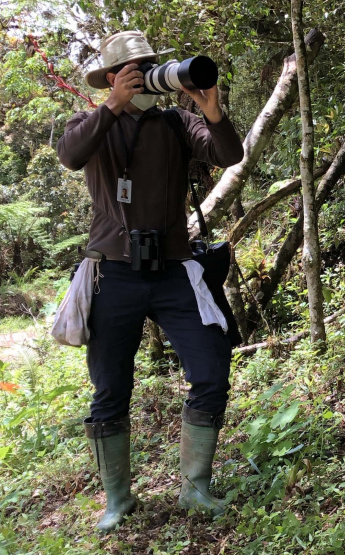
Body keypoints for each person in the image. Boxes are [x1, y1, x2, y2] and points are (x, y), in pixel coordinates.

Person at [56, 30, 244, 532]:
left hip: (175, 270)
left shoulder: (177, 122)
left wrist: (211, 109)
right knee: (110, 387)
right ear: (112, 78)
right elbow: (72, 155)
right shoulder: (91, 123)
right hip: (112, 272)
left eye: (149, 65)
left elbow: (228, 155)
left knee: (210, 369)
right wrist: (113, 106)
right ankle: (118, 499)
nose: (144, 74)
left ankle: (195, 486)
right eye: (132, 68)